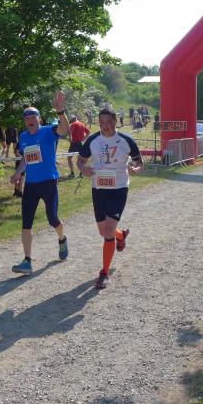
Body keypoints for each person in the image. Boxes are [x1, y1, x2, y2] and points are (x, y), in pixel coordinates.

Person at [77, 109, 143, 289]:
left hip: (119, 189)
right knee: (104, 231)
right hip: (98, 189)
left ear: (115, 121)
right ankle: (121, 235)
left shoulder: (126, 140)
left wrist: (135, 169)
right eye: (102, 122)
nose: (105, 126)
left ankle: (104, 273)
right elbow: (80, 160)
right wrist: (83, 169)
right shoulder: (93, 140)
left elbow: (139, 162)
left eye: (108, 122)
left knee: (107, 232)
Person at [10, 92, 70, 274]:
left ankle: (62, 239)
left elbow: (64, 130)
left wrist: (60, 111)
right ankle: (27, 261)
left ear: (39, 119)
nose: (30, 120)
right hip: (31, 185)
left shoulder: (48, 131)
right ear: (24, 121)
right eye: (27, 118)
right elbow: (26, 159)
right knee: (26, 222)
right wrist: (18, 173)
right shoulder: (23, 137)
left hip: (49, 181)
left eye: (33, 117)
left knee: (52, 218)